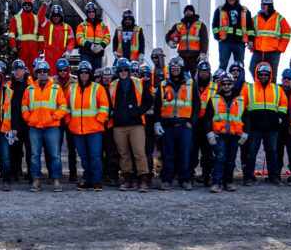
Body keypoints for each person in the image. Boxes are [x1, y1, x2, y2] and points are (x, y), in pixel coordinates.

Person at [155, 57, 202, 190]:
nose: (175, 70)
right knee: (168, 155)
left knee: (185, 155)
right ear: (170, 69)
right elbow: (158, 104)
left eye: (177, 68)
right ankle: (166, 180)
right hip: (167, 126)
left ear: (181, 69)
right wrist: (157, 122)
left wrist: (191, 122)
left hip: (184, 126)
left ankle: (185, 180)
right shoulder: (163, 85)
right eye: (173, 68)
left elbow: (197, 104)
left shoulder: (191, 84)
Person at [23, 58, 68, 192]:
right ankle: (36, 180)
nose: (42, 73)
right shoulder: (30, 88)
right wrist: (28, 118)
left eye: (45, 71)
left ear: (48, 73)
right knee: (34, 155)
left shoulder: (56, 88)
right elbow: (24, 106)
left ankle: (56, 180)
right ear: (36, 73)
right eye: (39, 71)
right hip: (35, 127)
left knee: (55, 155)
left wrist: (54, 117)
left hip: (52, 127)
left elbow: (63, 106)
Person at [108, 58, 152, 191]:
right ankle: (128, 179)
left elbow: (149, 100)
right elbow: (108, 102)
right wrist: (113, 114)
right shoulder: (112, 85)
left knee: (139, 152)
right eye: (120, 70)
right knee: (124, 154)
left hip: (136, 124)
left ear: (129, 70)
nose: (123, 72)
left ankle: (143, 179)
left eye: (125, 69)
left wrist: (139, 111)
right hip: (118, 125)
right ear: (117, 71)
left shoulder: (139, 83)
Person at [66, 61, 109, 190]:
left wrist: (99, 121)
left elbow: (104, 106)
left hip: (94, 130)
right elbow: (66, 107)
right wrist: (69, 122)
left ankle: (97, 181)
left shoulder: (98, 88)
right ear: (78, 74)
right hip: (77, 129)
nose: (84, 74)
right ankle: (88, 179)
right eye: (81, 72)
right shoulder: (71, 89)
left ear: (90, 74)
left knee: (95, 155)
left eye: (86, 72)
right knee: (84, 156)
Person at [243, 62, 287, 185]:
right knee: (251, 152)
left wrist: (279, 117)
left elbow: (284, 104)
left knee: (272, 152)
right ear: (257, 74)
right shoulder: (248, 88)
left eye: (265, 74)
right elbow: (241, 105)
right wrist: (247, 121)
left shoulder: (277, 88)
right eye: (261, 74)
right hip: (254, 127)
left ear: (270, 75)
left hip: (271, 127)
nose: (263, 76)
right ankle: (248, 177)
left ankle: (274, 176)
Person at [206, 71, 248, 192]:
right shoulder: (214, 99)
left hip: (234, 135)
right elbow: (208, 118)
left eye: (229, 83)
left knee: (231, 159)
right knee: (219, 158)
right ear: (220, 84)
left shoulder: (240, 100)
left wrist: (246, 132)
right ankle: (216, 182)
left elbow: (245, 118)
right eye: (224, 84)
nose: (226, 86)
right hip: (219, 134)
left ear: (233, 83)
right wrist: (209, 133)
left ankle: (228, 182)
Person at [248, 0, 291, 77]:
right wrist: (250, 43)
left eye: (265, 4)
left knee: (272, 73)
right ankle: (260, 86)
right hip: (258, 50)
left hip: (273, 52)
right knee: (253, 68)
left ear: (270, 6)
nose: (263, 6)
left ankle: (271, 88)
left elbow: (287, 33)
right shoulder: (255, 19)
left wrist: (280, 49)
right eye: (262, 4)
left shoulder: (279, 18)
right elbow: (249, 31)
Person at [6, 59, 33, 183]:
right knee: (15, 150)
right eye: (15, 69)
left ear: (24, 70)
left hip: (28, 122)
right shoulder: (9, 85)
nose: (16, 71)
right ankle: (14, 173)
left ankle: (31, 173)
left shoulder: (31, 84)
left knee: (30, 150)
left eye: (19, 69)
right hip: (13, 121)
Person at [213, 0, 253, 70]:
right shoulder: (220, 10)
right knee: (223, 65)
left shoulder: (244, 10)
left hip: (239, 42)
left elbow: (250, 27)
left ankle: (241, 82)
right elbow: (215, 25)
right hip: (225, 42)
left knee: (239, 66)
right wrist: (217, 36)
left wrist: (250, 39)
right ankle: (220, 82)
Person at [165, 5, 209, 73]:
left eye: (190, 10)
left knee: (195, 77)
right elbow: (168, 35)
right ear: (184, 13)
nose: (188, 12)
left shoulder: (200, 25)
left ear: (193, 12)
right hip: (182, 56)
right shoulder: (178, 25)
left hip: (195, 56)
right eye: (186, 10)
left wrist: (203, 52)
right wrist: (169, 42)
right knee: (182, 77)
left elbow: (204, 40)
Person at [7, 0, 45, 66]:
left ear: (32, 6)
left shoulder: (37, 18)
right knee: (22, 67)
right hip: (21, 48)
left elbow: (41, 35)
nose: (27, 6)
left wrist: (41, 48)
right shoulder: (16, 18)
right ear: (22, 6)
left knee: (34, 67)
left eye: (29, 4)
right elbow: (11, 33)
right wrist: (13, 45)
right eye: (25, 4)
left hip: (34, 48)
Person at [75, 2, 111, 70]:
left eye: (93, 11)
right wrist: (90, 45)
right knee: (85, 71)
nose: (91, 13)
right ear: (87, 12)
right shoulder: (82, 25)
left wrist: (101, 46)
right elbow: (79, 38)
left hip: (98, 54)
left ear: (95, 12)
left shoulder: (103, 25)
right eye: (89, 11)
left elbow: (108, 38)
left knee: (97, 74)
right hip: (86, 53)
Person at [39, 5, 74, 71]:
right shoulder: (47, 25)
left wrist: (69, 51)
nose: (56, 18)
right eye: (54, 16)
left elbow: (71, 41)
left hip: (62, 56)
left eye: (58, 16)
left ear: (61, 16)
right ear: (51, 16)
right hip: (49, 57)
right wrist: (44, 6)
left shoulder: (67, 27)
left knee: (63, 76)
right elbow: (40, 18)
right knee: (50, 78)